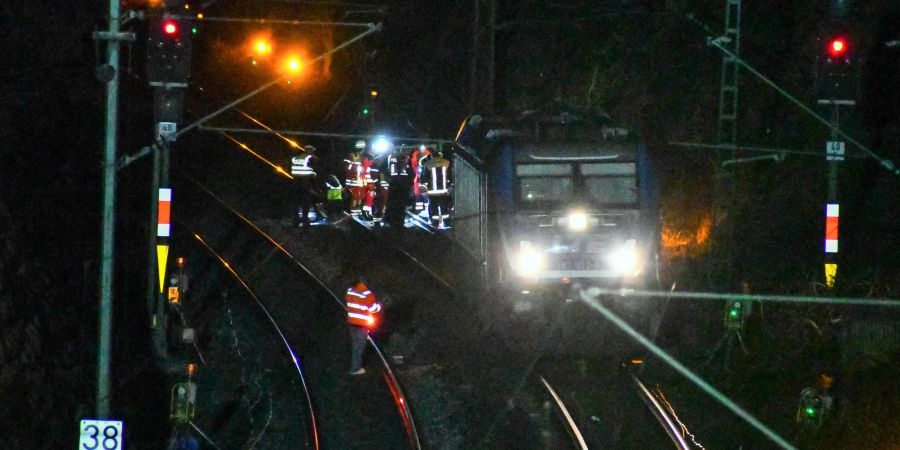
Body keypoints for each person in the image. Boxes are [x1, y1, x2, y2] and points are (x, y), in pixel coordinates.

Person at [345, 275, 382, 375]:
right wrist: (379, 306)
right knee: (359, 346)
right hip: (361, 324)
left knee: (355, 344)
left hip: (351, 322)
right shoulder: (367, 294)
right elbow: (373, 309)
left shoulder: (350, 290)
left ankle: (354, 365)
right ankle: (355, 369)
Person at [291, 145, 320, 227]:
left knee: (296, 202)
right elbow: (313, 170)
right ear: (310, 150)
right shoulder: (310, 158)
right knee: (305, 202)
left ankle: (295, 220)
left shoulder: (296, 158)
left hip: (296, 182)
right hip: (305, 183)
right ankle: (305, 220)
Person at [422, 151, 452, 228]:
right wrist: (449, 186)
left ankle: (434, 222)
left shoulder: (428, 164)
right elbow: (449, 176)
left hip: (432, 191)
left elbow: (424, 177)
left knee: (433, 205)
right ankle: (445, 222)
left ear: (432, 156)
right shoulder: (446, 163)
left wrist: (424, 189)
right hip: (444, 190)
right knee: (444, 205)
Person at [344, 141, 366, 216]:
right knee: (353, 196)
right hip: (352, 181)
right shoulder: (351, 156)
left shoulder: (361, 157)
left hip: (359, 181)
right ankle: (352, 211)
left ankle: (357, 210)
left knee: (360, 196)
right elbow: (347, 168)